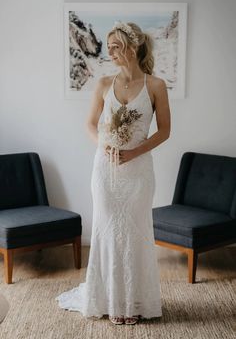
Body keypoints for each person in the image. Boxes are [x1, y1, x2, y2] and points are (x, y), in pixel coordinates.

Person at [56, 21, 171, 325]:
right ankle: (107, 299)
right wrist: (103, 145)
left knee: (135, 233)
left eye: (115, 46)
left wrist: (135, 151)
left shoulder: (156, 86)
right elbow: (90, 124)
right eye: (108, 48)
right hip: (105, 172)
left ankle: (134, 302)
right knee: (106, 232)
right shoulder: (104, 84)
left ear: (132, 47)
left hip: (139, 172)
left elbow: (165, 131)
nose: (111, 53)